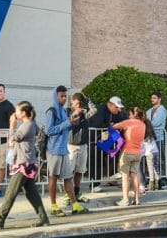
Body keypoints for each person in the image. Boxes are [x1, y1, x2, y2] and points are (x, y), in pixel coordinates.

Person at [0, 102, 49, 229]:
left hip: (23, 164)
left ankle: (0, 219)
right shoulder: (30, 125)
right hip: (26, 162)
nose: (15, 113)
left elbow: (11, 139)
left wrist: (12, 125)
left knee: (11, 192)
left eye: (17, 111)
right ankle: (44, 218)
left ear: (24, 113)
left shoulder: (27, 126)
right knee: (31, 193)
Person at [45, 86, 85, 217]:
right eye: (62, 96)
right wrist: (67, 124)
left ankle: (75, 205)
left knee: (68, 177)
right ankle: (54, 206)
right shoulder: (51, 111)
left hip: (64, 149)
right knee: (53, 177)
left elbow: (65, 127)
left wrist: (71, 122)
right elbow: (49, 130)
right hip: (54, 150)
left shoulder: (63, 111)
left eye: (65, 97)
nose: (64, 99)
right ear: (55, 96)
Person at [87, 95, 127, 191]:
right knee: (96, 163)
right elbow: (96, 124)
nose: (118, 110)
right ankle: (94, 185)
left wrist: (118, 126)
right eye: (116, 107)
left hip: (106, 140)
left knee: (117, 147)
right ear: (110, 105)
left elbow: (120, 122)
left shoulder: (117, 113)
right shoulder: (100, 110)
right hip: (94, 141)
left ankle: (112, 174)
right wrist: (110, 125)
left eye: (119, 107)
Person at [112, 107, 147, 206]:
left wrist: (120, 127)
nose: (129, 115)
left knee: (125, 177)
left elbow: (114, 126)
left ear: (133, 114)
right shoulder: (143, 125)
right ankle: (136, 199)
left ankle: (125, 199)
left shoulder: (129, 122)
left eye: (130, 113)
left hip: (127, 152)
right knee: (135, 176)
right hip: (137, 153)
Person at [65, 92, 95, 205]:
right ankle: (67, 195)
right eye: (76, 104)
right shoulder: (67, 111)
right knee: (69, 172)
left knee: (80, 171)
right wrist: (75, 114)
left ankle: (76, 193)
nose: (78, 106)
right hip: (71, 145)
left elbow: (94, 111)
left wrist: (87, 100)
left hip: (83, 145)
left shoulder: (84, 112)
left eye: (79, 104)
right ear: (72, 102)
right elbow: (69, 122)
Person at [145, 91, 167, 187]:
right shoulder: (149, 111)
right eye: (152, 98)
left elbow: (157, 122)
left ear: (159, 99)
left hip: (159, 137)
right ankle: (152, 178)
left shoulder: (162, 110)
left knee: (160, 159)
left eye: (154, 98)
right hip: (150, 138)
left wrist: (147, 124)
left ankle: (163, 179)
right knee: (150, 159)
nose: (152, 100)